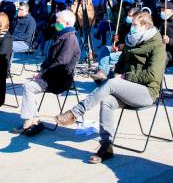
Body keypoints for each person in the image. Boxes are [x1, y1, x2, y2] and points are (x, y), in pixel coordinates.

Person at [55, 11, 166, 164]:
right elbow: (120, 65)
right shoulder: (131, 40)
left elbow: (153, 75)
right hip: (127, 87)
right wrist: (117, 74)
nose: (131, 28)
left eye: (134, 25)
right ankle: (106, 146)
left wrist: (124, 78)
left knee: (112, 83)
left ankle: (75, 112)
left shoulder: (157, 45)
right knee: (107, 100)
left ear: (145, 26)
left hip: (147, 91)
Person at [13, 10, 80, 134]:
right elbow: (49, 59)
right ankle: (34, 119)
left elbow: (61, 62)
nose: (56, 24)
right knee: (29, 85)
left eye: (58, 22)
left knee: (28, 87)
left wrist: (42, 75)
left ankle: (29, 121)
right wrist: (41, 71)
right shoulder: (63, 35)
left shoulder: (70, 39)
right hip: (53, 75)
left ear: (68, 23)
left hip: (60, 79)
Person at [92, 7, 139, 82]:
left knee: (106, 57)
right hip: (120, 49)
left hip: (129, 52)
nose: (128, 17)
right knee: (105, 49)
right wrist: (115, 39)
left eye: (130, 16)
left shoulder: (138, 28)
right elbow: (118, 40)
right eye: (128, 15)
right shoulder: (124, 25)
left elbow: (135, 44)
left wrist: (119, 47)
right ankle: (102, 72)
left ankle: (103, 73)